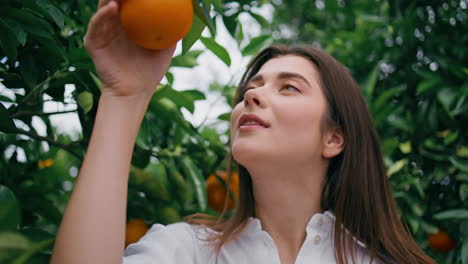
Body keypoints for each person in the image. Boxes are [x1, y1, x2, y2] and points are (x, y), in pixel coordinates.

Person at [50, 0, 437, 263]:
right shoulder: (188, 251)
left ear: (333, 138)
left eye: (288, 87)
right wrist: (124, 96)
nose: (251, 94)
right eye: (252, 86)